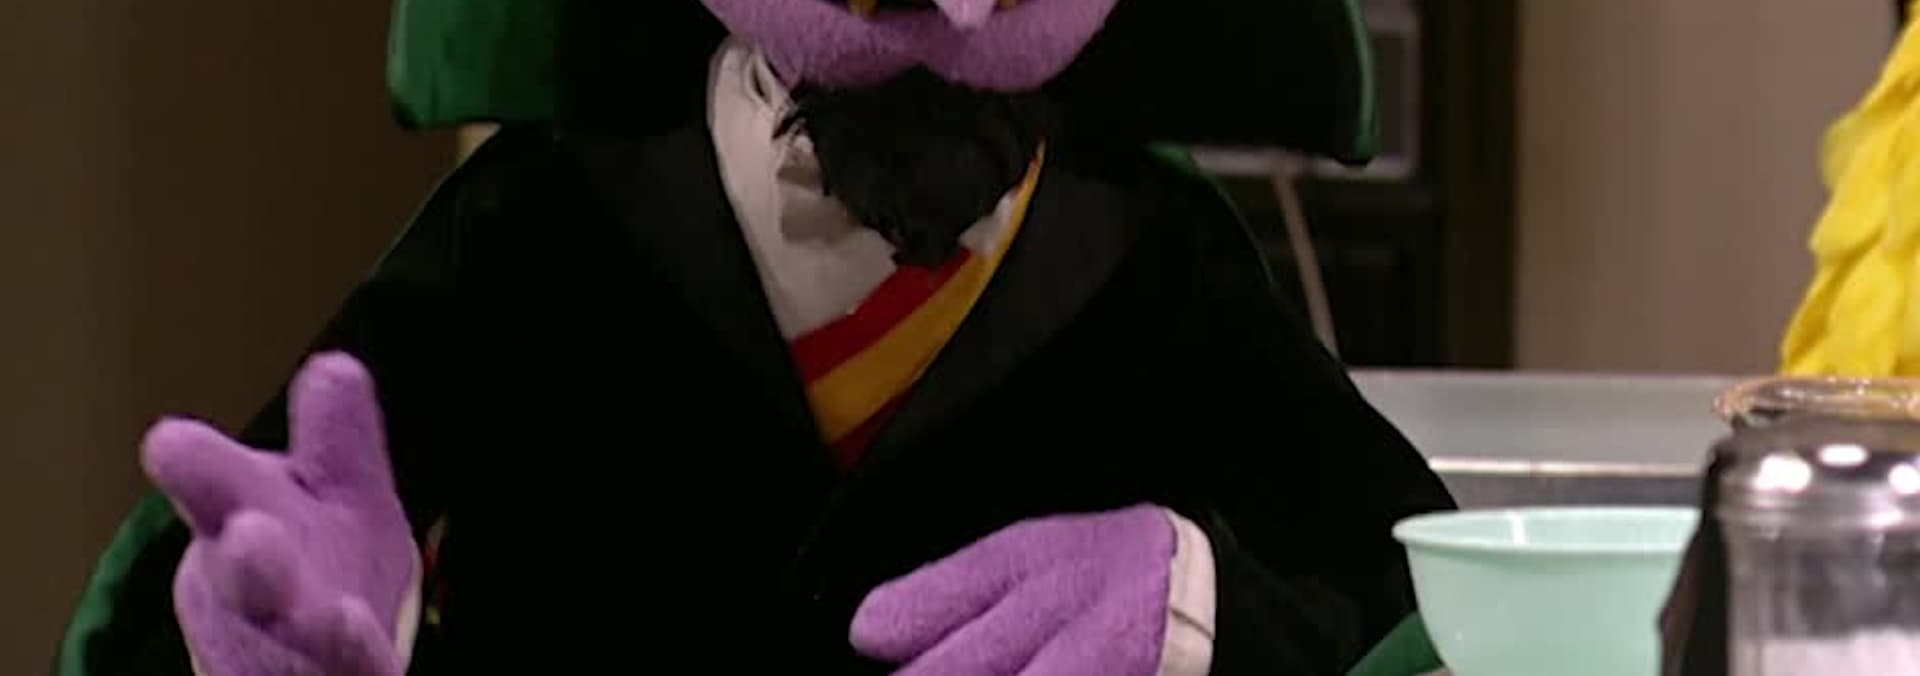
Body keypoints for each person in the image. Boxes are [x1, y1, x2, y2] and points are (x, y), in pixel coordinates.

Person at [58, 1, 1454, 674]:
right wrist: (282, 620)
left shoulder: (1153, 255)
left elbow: (1408, 591)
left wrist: (1200, 605)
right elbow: (260, 532)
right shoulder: (541, 219)